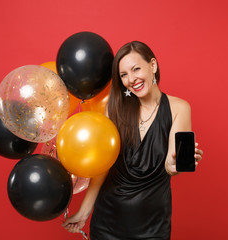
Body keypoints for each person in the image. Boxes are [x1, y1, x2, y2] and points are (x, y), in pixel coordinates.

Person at [62, 41, 203, 239]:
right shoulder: (114, 109)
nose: (131, 79)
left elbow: (172, 166)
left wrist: (174, 166)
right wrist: (84, 211)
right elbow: (103, 167)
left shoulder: (179, 108)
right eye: (124, 75)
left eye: (136, 69)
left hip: (153, 228)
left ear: (152, 66)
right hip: (107, 224)